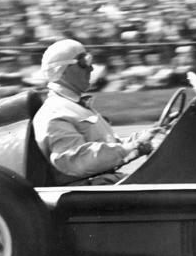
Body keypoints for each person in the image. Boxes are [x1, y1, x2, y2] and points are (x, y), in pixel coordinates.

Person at [33, 39, 159, 185]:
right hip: (84, 193)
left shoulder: (77, 106)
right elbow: (77, 160)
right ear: (63, 70)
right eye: (83, 62)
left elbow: (112, 145)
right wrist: (132, 147)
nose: (91, 68)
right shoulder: (54, 112)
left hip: (104, 185)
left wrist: (147, 136)